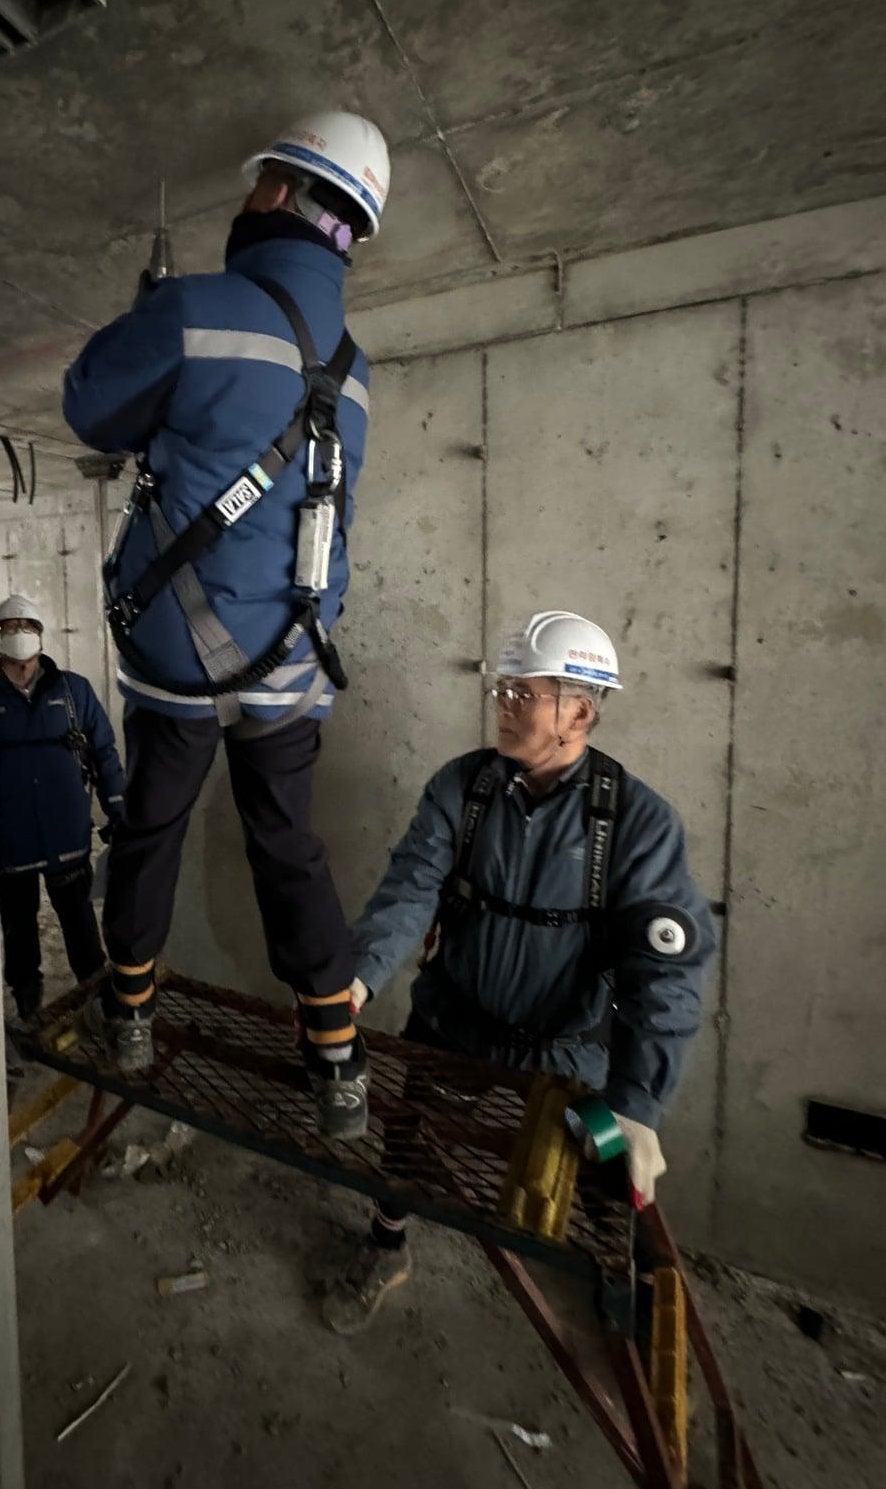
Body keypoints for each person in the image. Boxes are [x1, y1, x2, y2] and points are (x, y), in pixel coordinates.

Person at [63, 111, 390, 1139]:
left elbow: (90, 409)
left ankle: (129, 1013)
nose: (241, 200)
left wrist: (147, 320)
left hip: (178, 657)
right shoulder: (358, 373)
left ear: (280, 196)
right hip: (292, 659)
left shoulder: (196, 312)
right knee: (287, 844)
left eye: (254, 185)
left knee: (152, 826)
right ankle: (335, 1056)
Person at [322, 612, 715, 1333]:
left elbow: (666, 973)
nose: (503, 707)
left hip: (568, 1055)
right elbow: (411, 887)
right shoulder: (464, 788)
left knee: (605, 1173)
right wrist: (361, 977)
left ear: (582, 710)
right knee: (410, 1142)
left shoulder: (636, 821)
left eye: (522, 694)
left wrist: (639, 1100)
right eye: (503, 691)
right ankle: (386, 1243)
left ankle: (611, 1284)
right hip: (453, 1024)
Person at [0, 592, 125, 1021]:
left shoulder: (73, 690)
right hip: (10, 840)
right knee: (19, 929)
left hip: (66, 833)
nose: (18, 635)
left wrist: (118, 807)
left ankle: (99, 1000)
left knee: (80, 924)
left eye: (26, 627)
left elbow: (103, 751)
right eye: (8, 628)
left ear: (41, 636)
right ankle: (29, 1003)